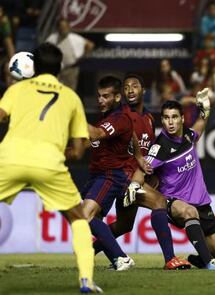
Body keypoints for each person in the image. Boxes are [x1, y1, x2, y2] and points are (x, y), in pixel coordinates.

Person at [0, 43, 101, 293]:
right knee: (77, 217)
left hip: (10, 157)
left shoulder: (17, 88)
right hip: (49, 163)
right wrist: (55, 152)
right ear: (60, 67)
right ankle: (86, 280)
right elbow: (78, 150)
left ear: (33, 66)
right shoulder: (71, 97)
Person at [93, 74, 191, 270]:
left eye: (135, 86)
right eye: (126, 87)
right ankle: (170, 259)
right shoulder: (121, 116)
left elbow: (148, 151)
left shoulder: (147, 117)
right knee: (159, 201)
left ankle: (89, 249)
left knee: (124, 225)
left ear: (143, 91)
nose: (130, 90)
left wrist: (151, 174)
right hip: (125, 176)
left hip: (136, 175)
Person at [129, 91, 215, 270]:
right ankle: (207, 263)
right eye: (166, 118)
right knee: (189, 212)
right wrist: (135, 185)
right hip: (174, 202)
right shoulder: (160, 147)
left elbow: (199, 127)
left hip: (201, 201)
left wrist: (205, 110)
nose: (170, 122)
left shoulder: (188, 137)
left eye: (174, 117)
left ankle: (198, 259)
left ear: (182, 118)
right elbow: (142, 168)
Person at [82, 76, 139, 271]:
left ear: (117, 97)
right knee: (93, 219)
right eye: (99, 96)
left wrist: (72, 115)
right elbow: (86, 143)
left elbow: (96, 134)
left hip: (111, 175)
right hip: (97, 175)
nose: (100, 100)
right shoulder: (105, 119)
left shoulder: (120, 118)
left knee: (86, 214)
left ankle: (120, 257)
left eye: (106, 96)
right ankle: (118, 259)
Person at [46, 18, 94, 91]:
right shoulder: (52, 38)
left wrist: (83, 56)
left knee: (70, 90)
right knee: (55, 89)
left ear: (68, 27)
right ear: (58, 28)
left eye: (65, 27)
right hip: (57, 69)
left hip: (71, 69)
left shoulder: (74, 38)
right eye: (61, 27)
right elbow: (45, 49)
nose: (63, 29)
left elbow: (90, 44)